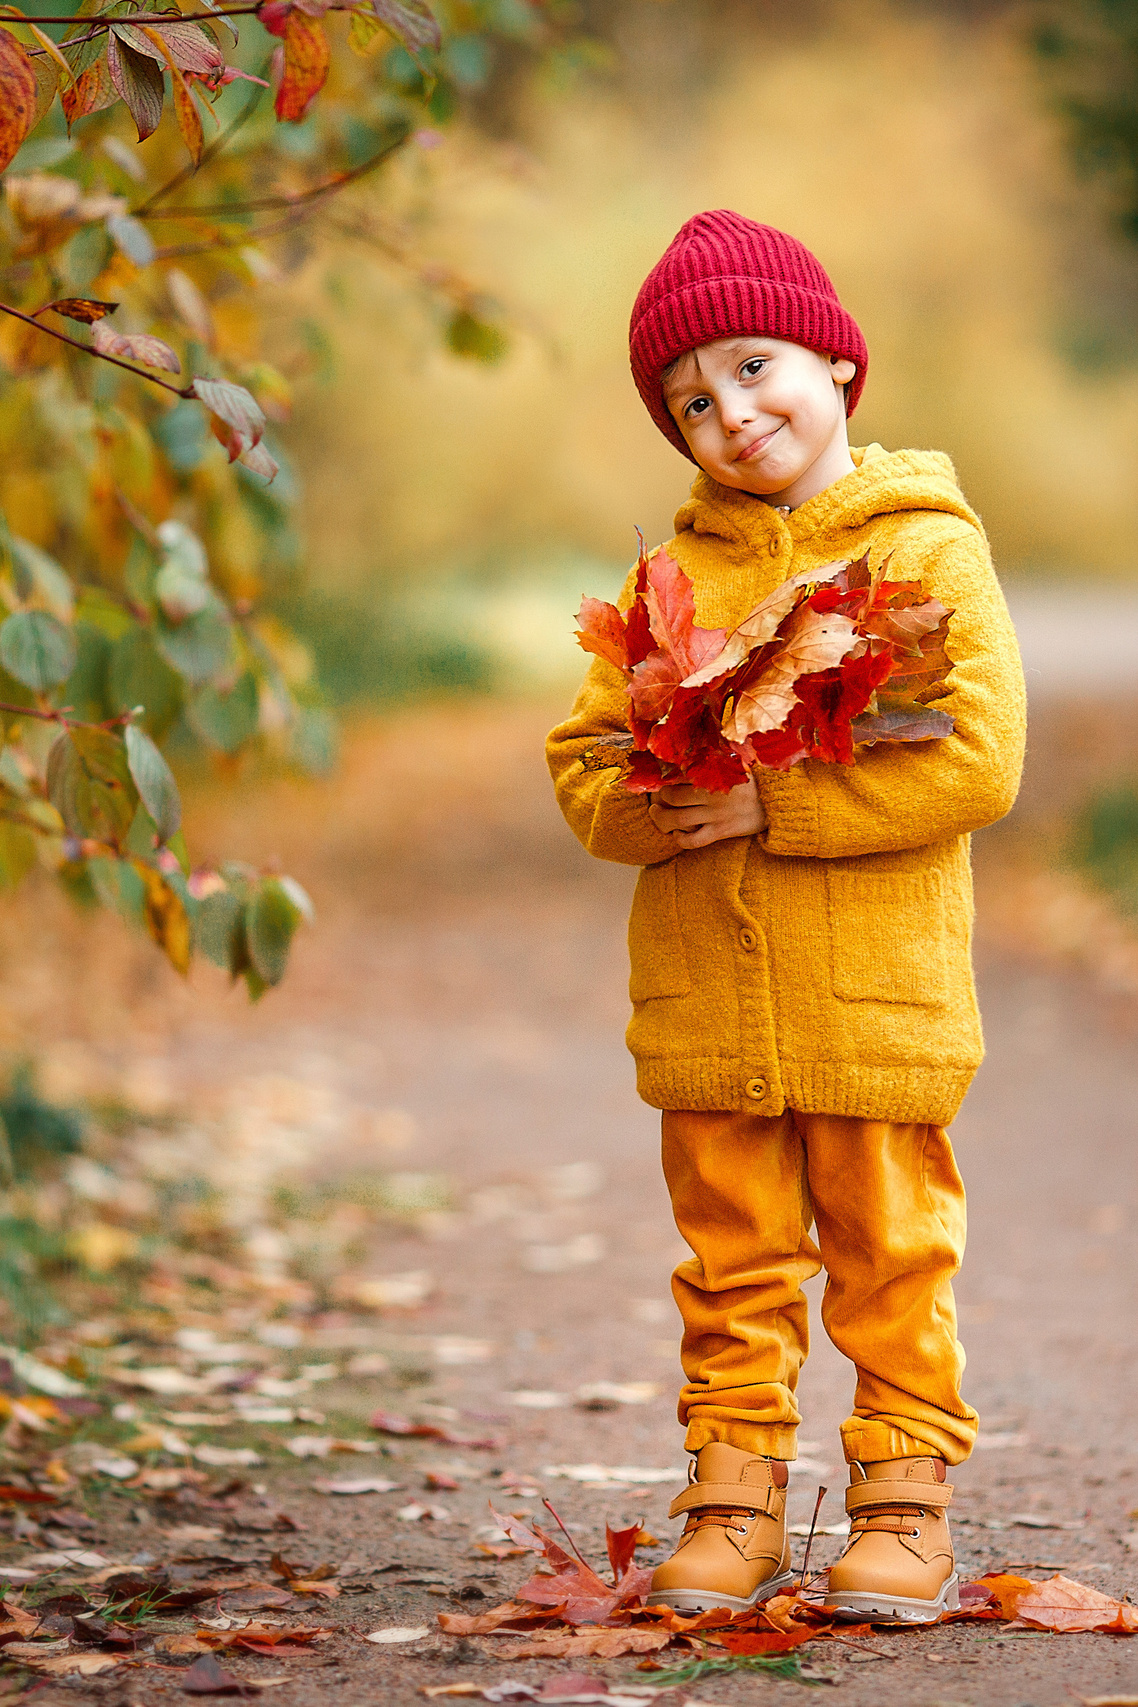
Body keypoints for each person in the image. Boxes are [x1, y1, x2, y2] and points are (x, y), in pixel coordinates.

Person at [545, 211, 1026, 1624]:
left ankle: (898, 1501)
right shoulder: (664, 582)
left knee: (888, 1260)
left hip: (875, 995)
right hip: (708, 999)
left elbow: (975, 758)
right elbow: (587, 763)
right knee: (732, 1264)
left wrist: (775, 807)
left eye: (753, 368)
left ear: (834, 361)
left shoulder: (922, 549)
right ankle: (734, 1494)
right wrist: (658, 800)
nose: (730, 413)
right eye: (689, 400)